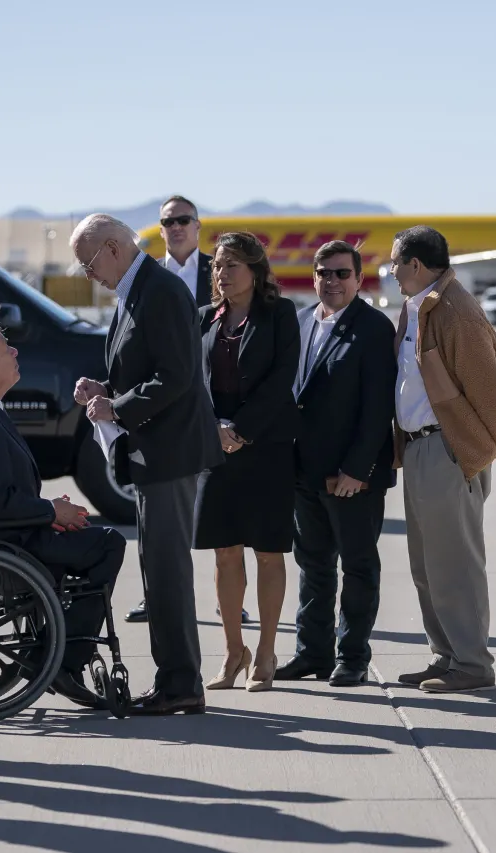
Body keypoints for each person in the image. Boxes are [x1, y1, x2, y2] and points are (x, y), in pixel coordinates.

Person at [71, 214, 224, 715]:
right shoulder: (137, 289)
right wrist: (108, 391)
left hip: (171, 451)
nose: (88, 274)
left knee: (166, 572)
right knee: (157, 570)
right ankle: (176, 679)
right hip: (155, 451)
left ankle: (181, 684)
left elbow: (177, 375)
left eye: (89, 263)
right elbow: (147, 369)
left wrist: (119, 406)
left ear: (114, 248)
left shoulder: (158, 289)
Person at [0, 321, 126, 703]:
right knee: (108, 544)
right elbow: (0, 506)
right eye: (7, 348)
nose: (16, 352)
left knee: (92, 538)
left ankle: (55, 647)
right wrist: (50, 510)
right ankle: (63, 660)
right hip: (8, 545)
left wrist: (50, 510)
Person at [389, 226, 496, 694]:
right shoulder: (420, 306)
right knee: (428, 566)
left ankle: (471, 664)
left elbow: (493, 390)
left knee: (456, 566)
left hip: (448, 449)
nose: (390, 272)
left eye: (394, 263)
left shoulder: (454, 312)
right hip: (419, 447)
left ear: (415, 265)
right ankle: (446, 657)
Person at [275, 241, 396, 687]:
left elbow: (377, 408)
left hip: (351, 477)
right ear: (314, 277)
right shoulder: (303, 321)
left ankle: (353, 656)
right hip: (304, 472)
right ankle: (312, 654)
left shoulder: (374, 328)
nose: (332, 281)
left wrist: (358, 470)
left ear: (359, 279)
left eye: (342, 274)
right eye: (324, 273)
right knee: (313, 565)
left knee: (359, 566)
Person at [194, 232, 299, 692]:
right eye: (218, 264)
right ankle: (233, 652)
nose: (222, 272)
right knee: (224, 550)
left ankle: (267, 652)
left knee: (268, 551)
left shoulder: (280, 315)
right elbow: (192, 383)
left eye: (233, 264)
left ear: (256, 270)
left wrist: (242, 431)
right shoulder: (202, 320)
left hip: (266, 447)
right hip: (214, 447)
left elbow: (282, 379)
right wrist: (216, 429)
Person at [124, 194, 232, 624]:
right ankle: (156, 597)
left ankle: (229, 600)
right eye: (168, 221)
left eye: (184, 219)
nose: (176, 227)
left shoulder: (217, 272)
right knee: (156, 517)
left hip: (213, 403)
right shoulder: (146, 275)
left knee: (218, 508)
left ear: (198, 225)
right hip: (162, 408)